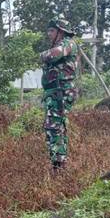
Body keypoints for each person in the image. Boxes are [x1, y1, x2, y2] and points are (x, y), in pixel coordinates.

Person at [40, 17, 79, 171]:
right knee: (54, 127)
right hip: (54, 92)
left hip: (62, 92)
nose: (49, 34)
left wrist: (43, 55)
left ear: (61, 32)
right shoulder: (61, 43)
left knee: (54, 127)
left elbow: (52, 55)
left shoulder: (67, 43)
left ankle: (59, 165)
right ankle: (58, 163)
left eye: (52, 31)